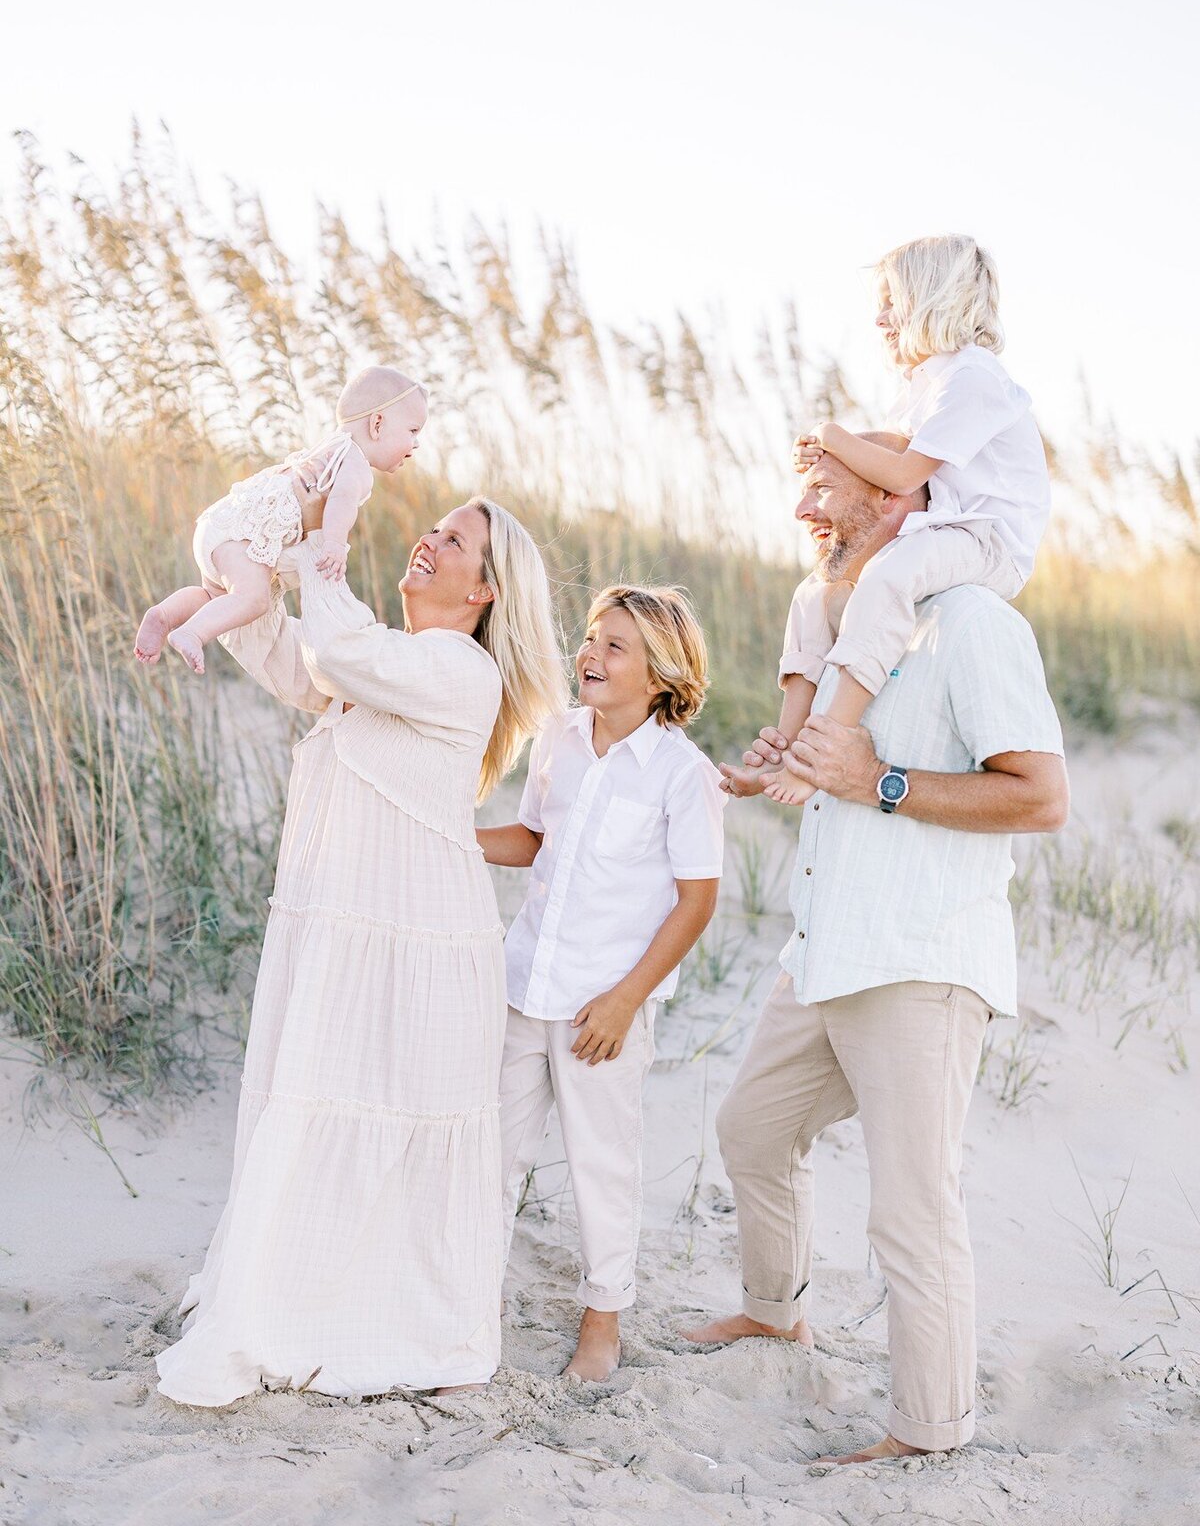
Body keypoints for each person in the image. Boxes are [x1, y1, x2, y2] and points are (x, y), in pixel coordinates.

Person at [688, 447, 1069, 1465]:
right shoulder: (840, 626)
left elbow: (1040, 796)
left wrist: (881, 781)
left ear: (901, 505)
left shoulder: (976, 623)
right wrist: (782, 764)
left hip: (920, 956)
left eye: (827, 493)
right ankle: (777, 1311)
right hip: (825, 946)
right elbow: (830, 768)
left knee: (911, 1206)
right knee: (753, 1132)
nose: (803, 508)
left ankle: (930, 1432)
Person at [156, 499, 567, 1406]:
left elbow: (337, 652)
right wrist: (253, 562)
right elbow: (287, 653)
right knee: (317, 1103)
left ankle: (371, 1320)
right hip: (350, 934)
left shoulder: (455, 671)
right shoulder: (390, 661)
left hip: (410, 945)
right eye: (435, 528)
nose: (429, 541)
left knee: (368, 1112)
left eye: (454, 542)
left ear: (486, 589)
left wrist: (325, 557)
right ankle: (297, 1302)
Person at [479, 585, 724, 1381]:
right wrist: (448, 832)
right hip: (523, 984)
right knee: (490, 1152)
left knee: (601, 1167)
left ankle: (602, 1323)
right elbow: (532, 838)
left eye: (616, 646)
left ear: (660, 675)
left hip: (601, 1008)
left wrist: (626, 999)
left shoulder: (682, 777)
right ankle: (466, 1298)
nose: (592, 653)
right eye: (591, 637)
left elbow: (696, 902)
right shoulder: (558, 738)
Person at [762, 233, 1051, 805]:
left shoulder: (974, 376)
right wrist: (830, 456)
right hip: (944, 529)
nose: (879, 318)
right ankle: (787, 745)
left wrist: (834, 435)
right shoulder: (926, 384)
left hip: (989, 540)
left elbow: (901, 476)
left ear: (933, 299)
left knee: (887, 579)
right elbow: (891, 459)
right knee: (813, 591)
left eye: (892, 301)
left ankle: (827, 742)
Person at [134, 366, 426, 674]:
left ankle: (164, 616)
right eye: (413, 431)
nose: (417, 443)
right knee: (254, 599)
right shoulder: (354, 464)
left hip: (222, 524)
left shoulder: (326, 448)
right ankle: (191, 632)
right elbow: (341, 502)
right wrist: (335, 544)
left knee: (214, 596)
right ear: (377, 424)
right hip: (245, 539)